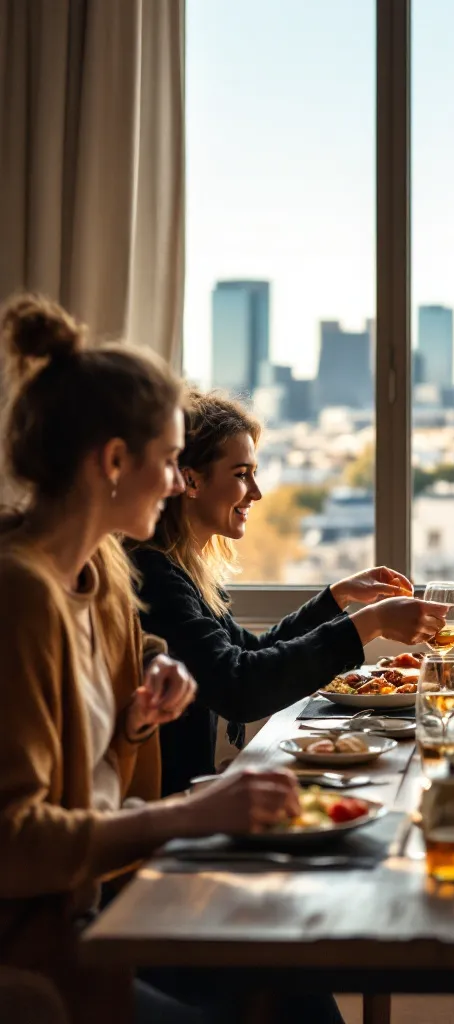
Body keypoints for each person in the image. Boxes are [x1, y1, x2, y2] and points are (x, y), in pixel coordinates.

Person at [0, 296, 317, 1024]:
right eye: (171, 461)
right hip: (51, 947)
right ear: (114, 462)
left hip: (109, 905)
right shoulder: (20, 591)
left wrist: (141, 702)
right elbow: (14, 844)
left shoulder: (103, 577)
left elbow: (99, 772)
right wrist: (188, 813)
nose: (179, 482)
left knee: (292, 970)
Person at [130, 389, 449, 795]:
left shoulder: (181, 571)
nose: (257, 493)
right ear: (191, 480)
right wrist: (370, 623)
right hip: (170, 812)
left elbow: (249, 653)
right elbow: (240, 687)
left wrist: (336, 599)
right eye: (241, 474)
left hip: (187, 800)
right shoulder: (155, 578)